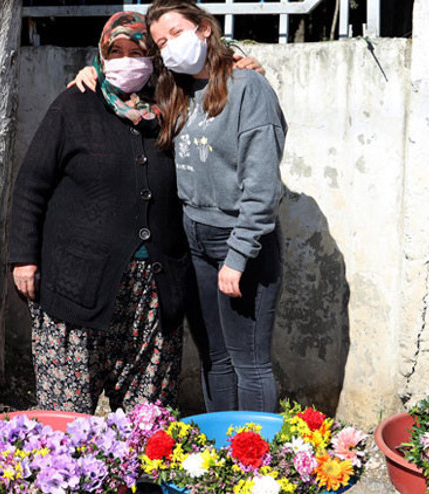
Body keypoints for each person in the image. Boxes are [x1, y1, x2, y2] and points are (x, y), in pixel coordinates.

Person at [8, 11, 190, 415]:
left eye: (137, 51)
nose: (127, 61)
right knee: (66, 418)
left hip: (153, 291)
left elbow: (214, 71)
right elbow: (32, 184)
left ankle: (141, 481)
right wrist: (23, 257)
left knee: (148, 417)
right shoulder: (75, 103)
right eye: (116, 52)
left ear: (153, 58)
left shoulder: (172, 106)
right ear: (102, 56)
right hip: (77, 283)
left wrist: (239, 60)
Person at [146, 0, 286, 413]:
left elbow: (262, 185)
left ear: (203, 28)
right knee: (215, 359)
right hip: (195, 241)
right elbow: (118, 73)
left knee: (250, 362)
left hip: (240, 242)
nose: (169, 46)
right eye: (160, 43)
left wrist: (238, 255)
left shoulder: (249, 88)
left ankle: (257, 467)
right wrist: (88, 72)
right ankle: (220, 461)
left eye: (175, 33)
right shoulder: (177, 92)